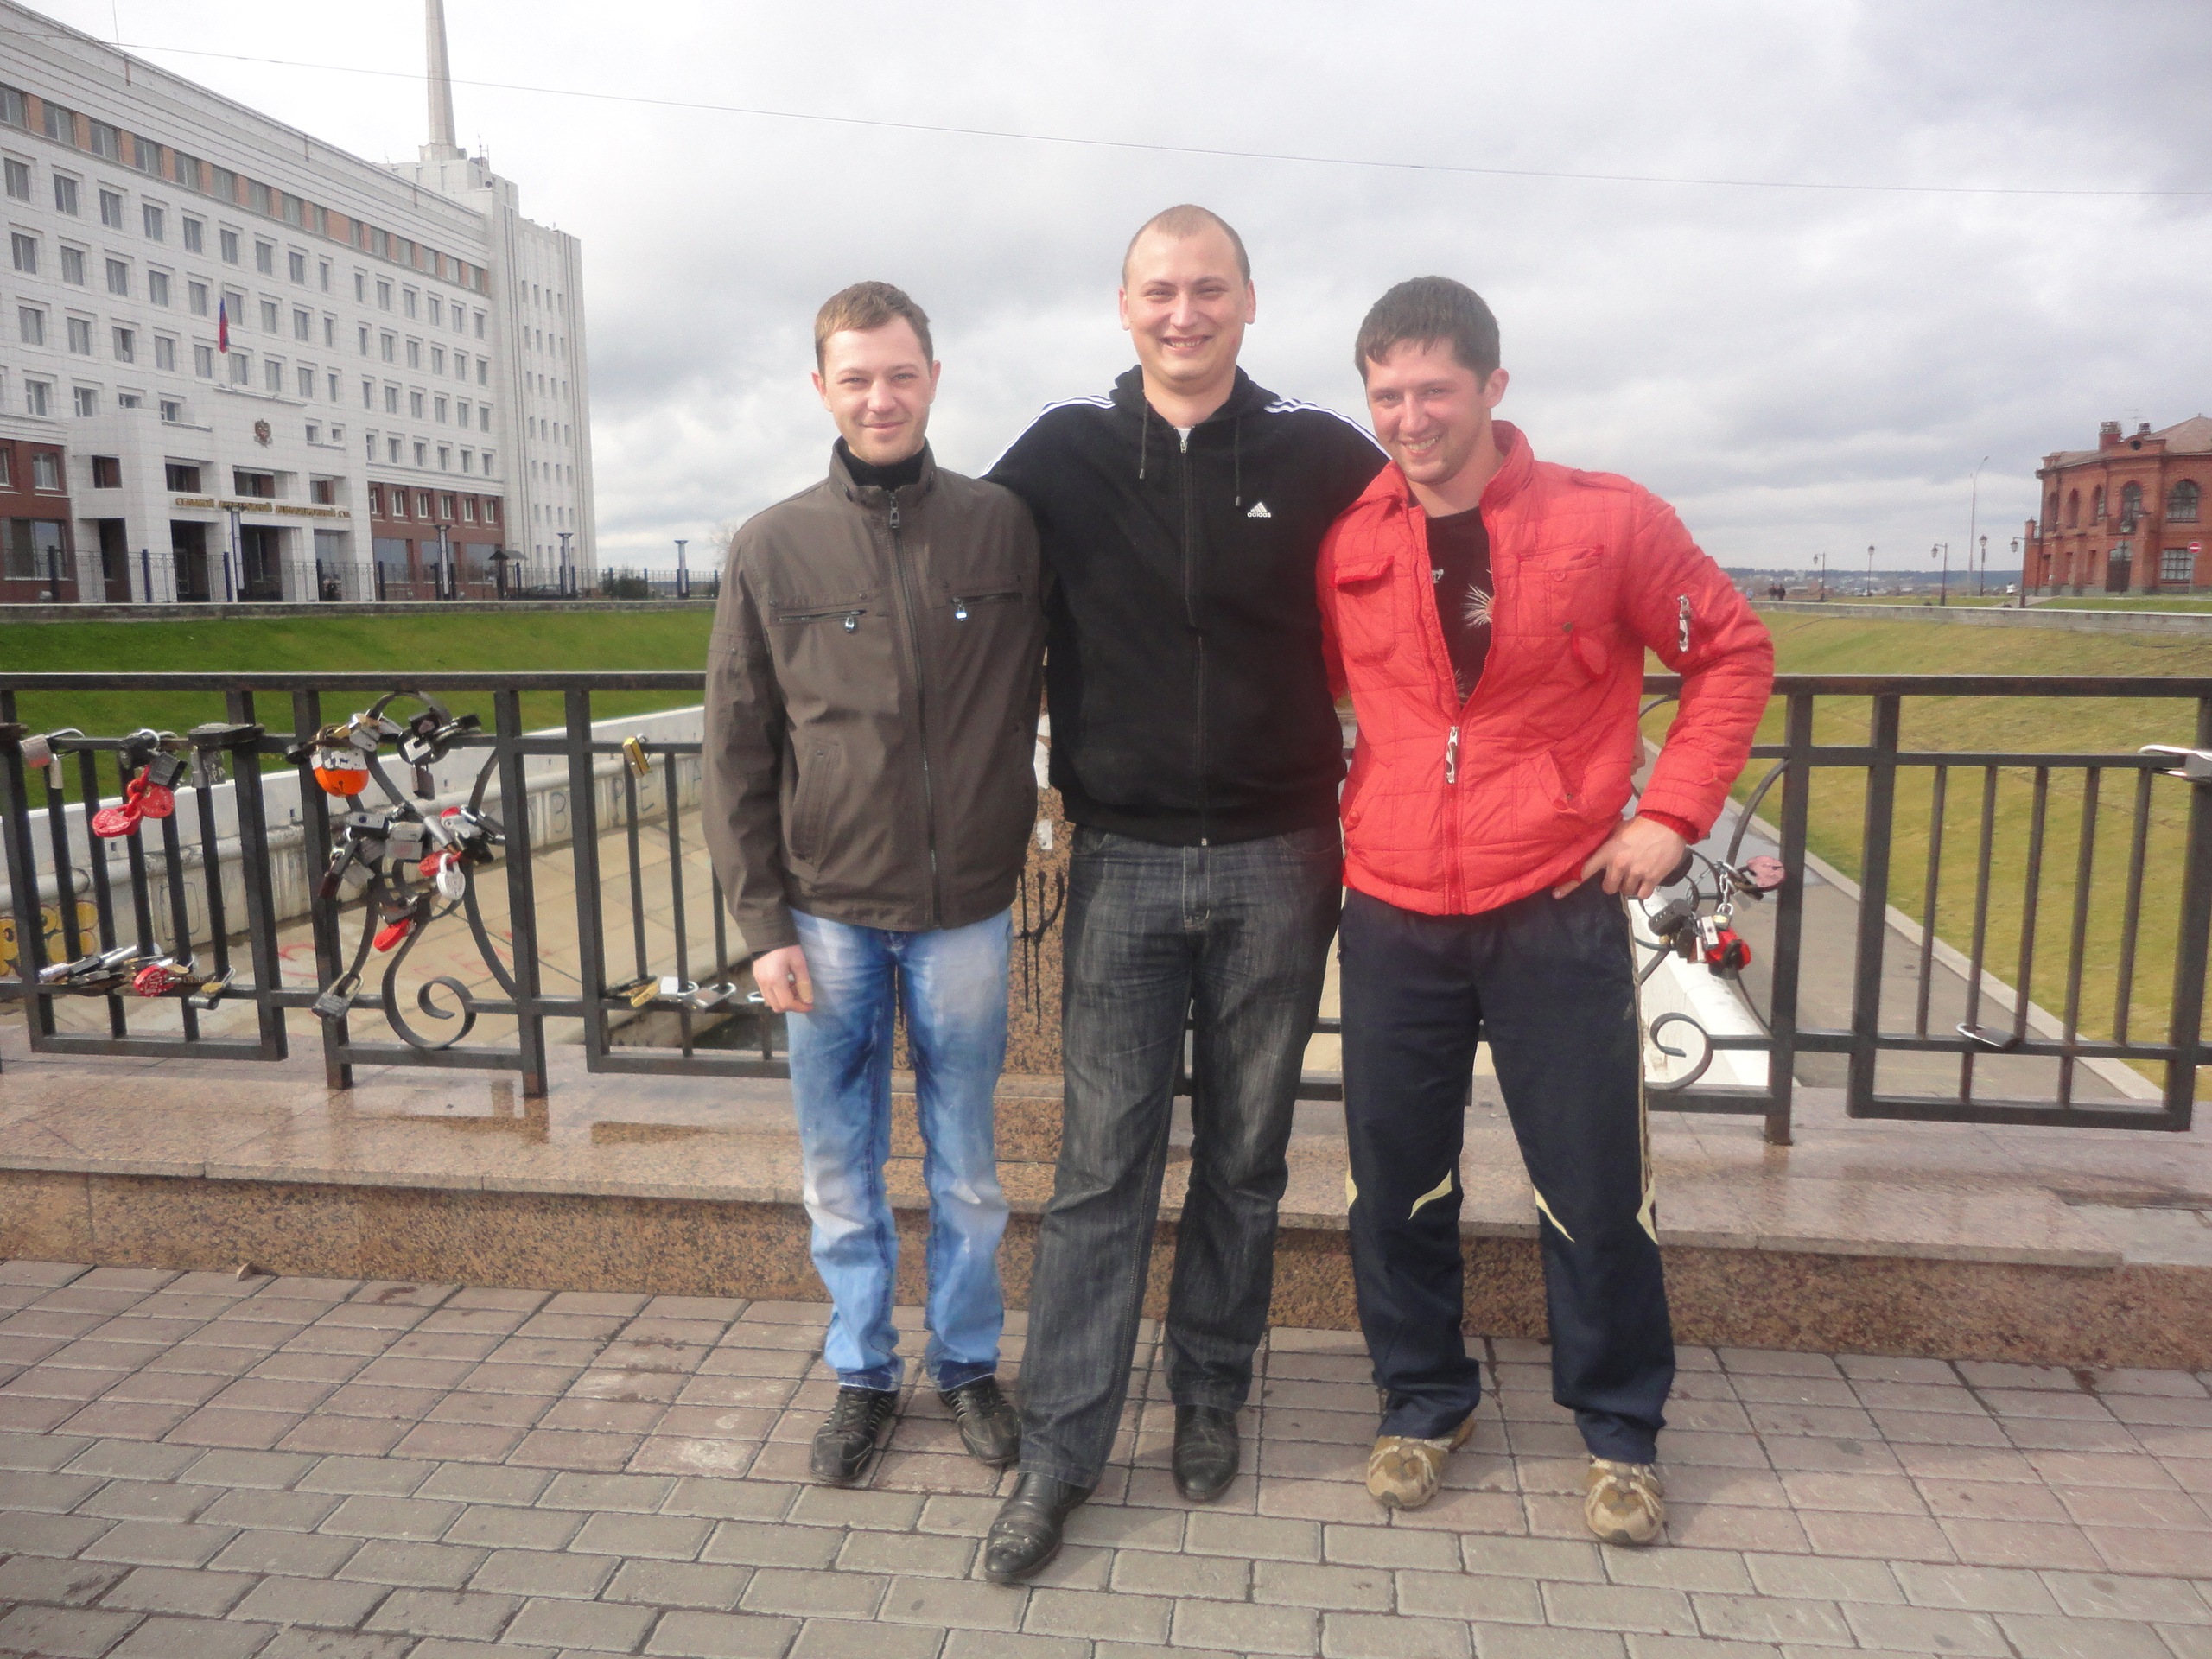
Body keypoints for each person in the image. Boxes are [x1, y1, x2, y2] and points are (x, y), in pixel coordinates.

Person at [1317, 276, 1772, 1545]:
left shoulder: (1605, 519)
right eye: (1388, 394)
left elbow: (1732, 652)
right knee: (1393, 1182)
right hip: (1395, 906)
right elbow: (1306, 689)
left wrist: (1670, 815)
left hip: (1553, 902)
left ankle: (1621, 1433)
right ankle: (1423, 1402)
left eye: (1436, 390)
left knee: (1591, 1180)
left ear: (1493, 387)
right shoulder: (1347, 540)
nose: (1411, 418)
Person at [978, 206, 1386, 1583]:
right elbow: (956, 568)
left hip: (1284, 854)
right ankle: (1060, 1452)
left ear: (1249, 303)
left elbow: (1428, 563)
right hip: (1122, 861)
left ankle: (1210, 1391)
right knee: (1101, 1168)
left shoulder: (1322, 455)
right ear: (1125, 306)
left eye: (1209, 289)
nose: (1184, 312)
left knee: (1247, 1157)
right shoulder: (1062, 453)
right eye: (1160, 290)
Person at [702, 281, 1045, 1486]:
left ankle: (967, 1366)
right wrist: (761, 922)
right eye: (856, 378)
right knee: (840, 1169)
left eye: (901, 374)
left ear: (933, 378)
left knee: (968, 1170)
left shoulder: (1004, 526)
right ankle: (861, 1375)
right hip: (826, 913)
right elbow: (737, 748)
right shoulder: (770, 545)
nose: (881, 398)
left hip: (966, 915)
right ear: (823, 390)